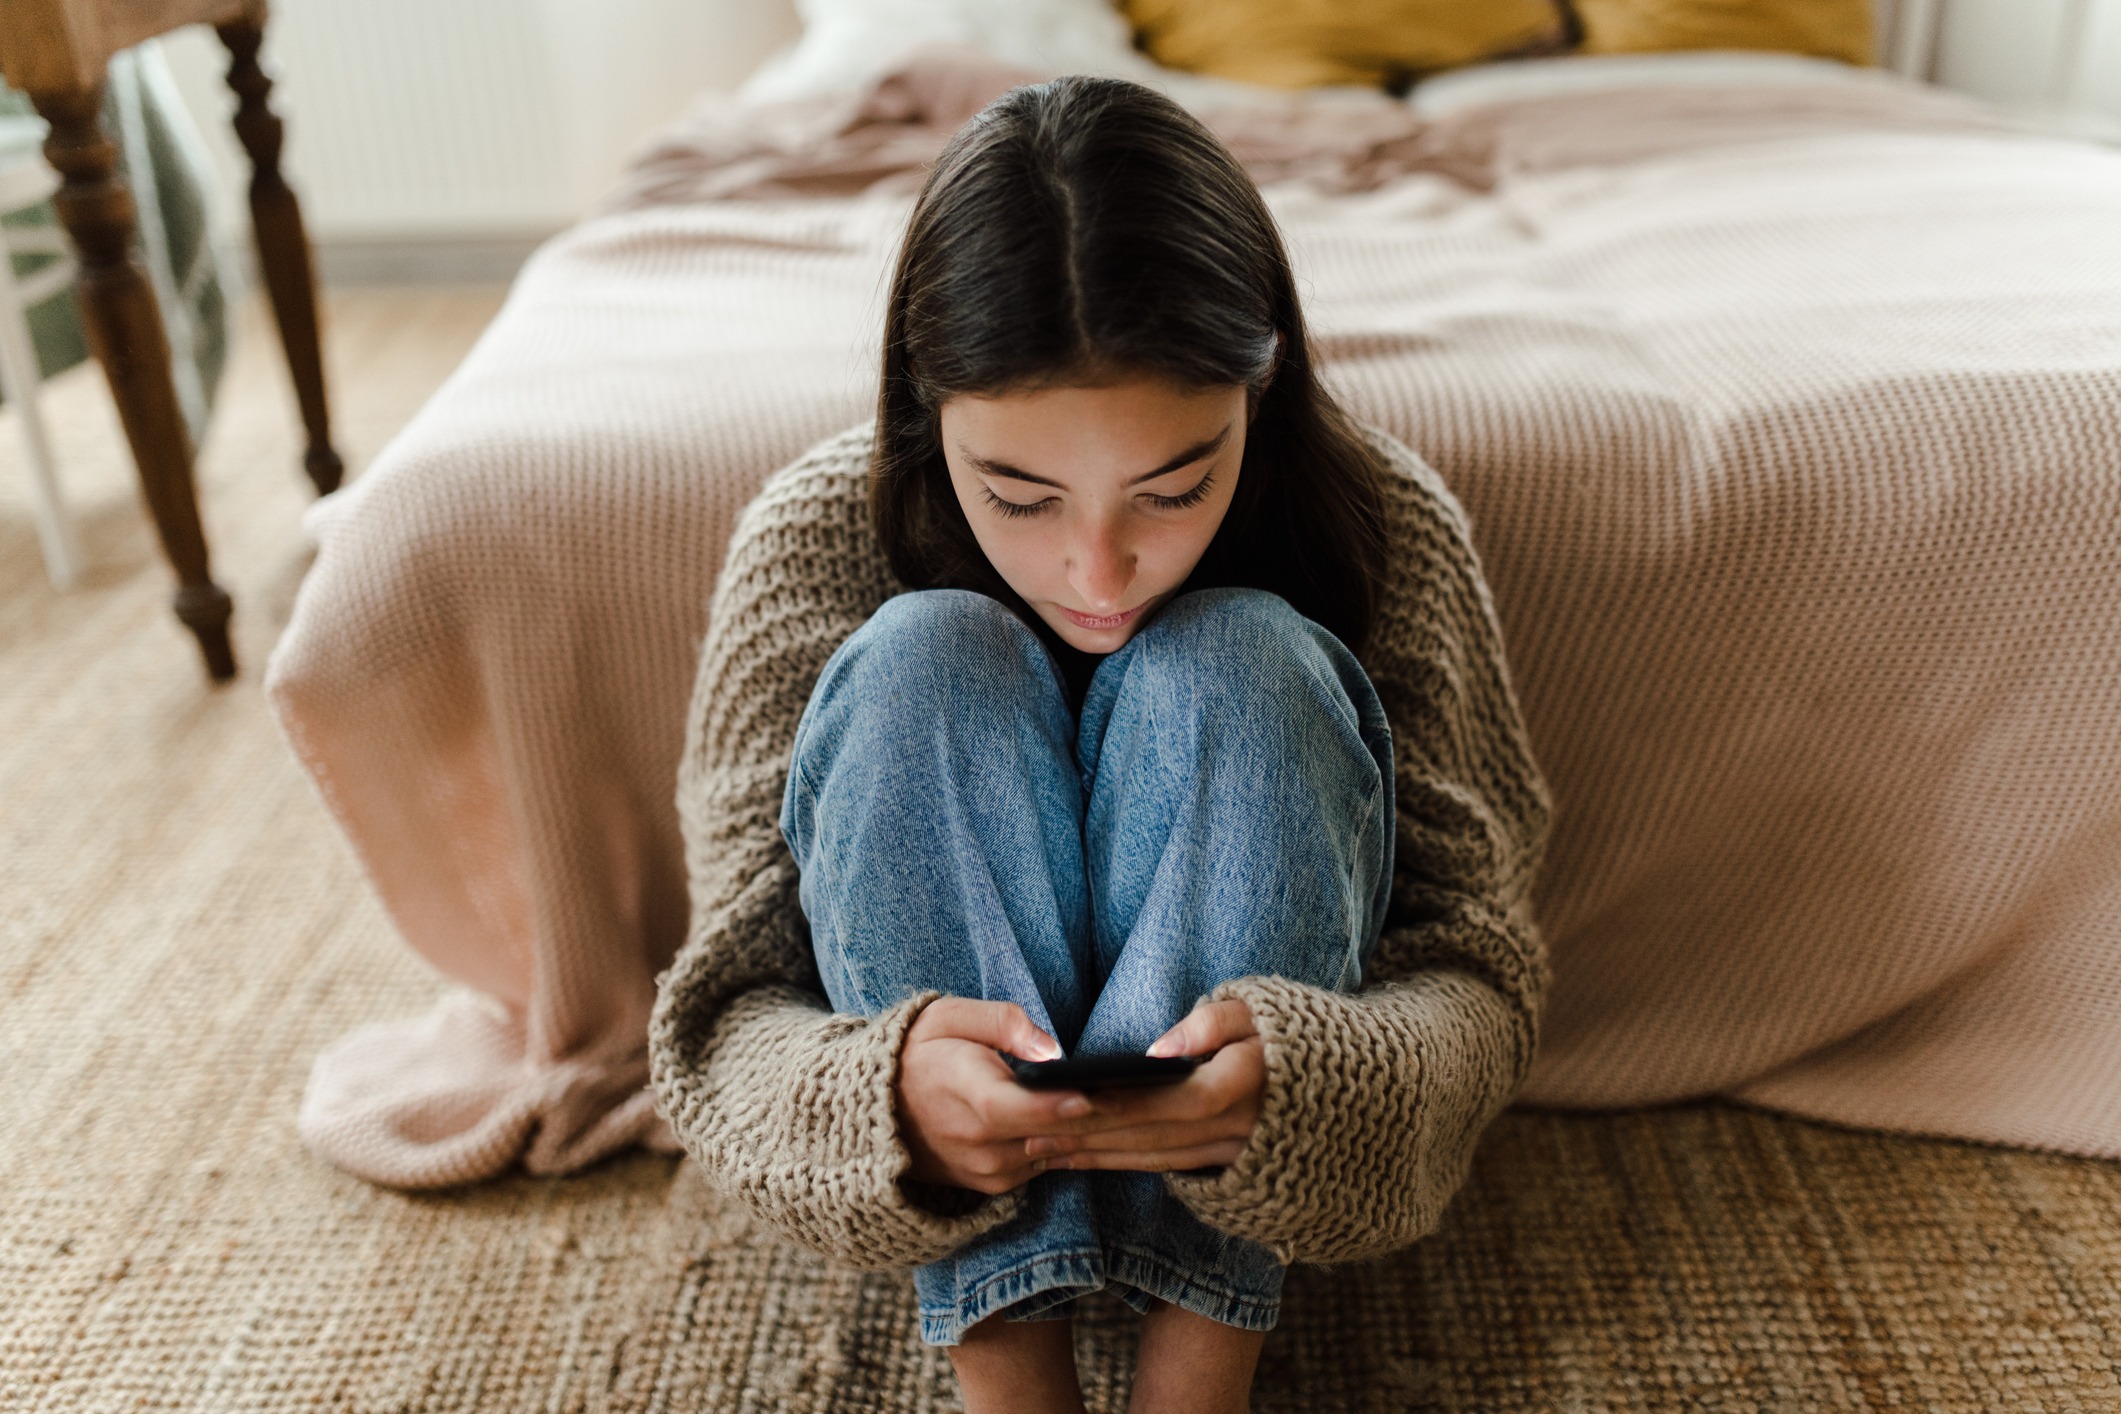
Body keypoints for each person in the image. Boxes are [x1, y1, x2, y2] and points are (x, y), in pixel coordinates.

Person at [648, 75, 1552, 1414]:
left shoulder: (1380, 527)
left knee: (1238, 649)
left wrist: (1315, 1082)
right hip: (955, 1210)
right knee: (921, 653)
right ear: (923, 410)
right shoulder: (817, 536)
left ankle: (1201, 1372)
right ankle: (1006, 1372)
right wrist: (886, 1097)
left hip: (1245, 1205)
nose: (1097, 567)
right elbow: (724, 1017)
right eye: (1015, 493)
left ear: (1266, 384)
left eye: (1174, 484)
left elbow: (1479, 965)